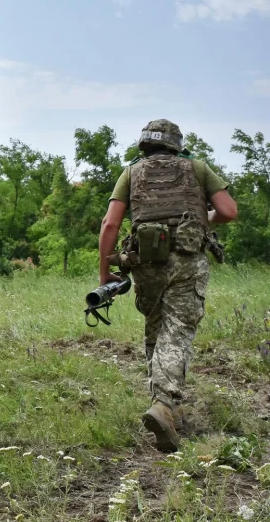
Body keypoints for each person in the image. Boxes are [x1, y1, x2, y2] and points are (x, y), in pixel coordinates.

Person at [98, 119, 237, 452]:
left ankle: (166, 409)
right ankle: (164, 403)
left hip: (146, 263)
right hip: (188, 262)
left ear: (144, 144)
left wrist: (105, 274)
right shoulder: (198, 168)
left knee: (156, 331)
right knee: (176, 333)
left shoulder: (130, 173)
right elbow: (228, 211)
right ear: (177, 144)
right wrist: (206, 219)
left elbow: (110, 224)